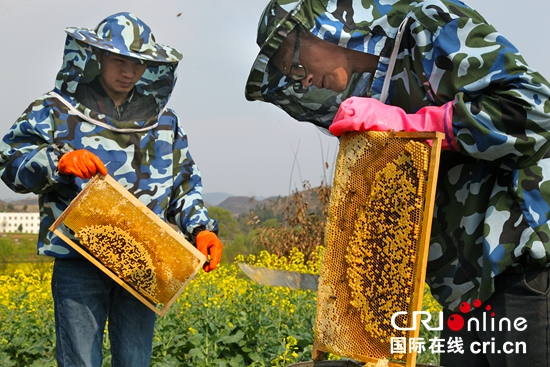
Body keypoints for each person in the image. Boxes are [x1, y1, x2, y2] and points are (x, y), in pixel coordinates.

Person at [245, 0, 550, 365]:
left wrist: (415, 124)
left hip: (521, 267)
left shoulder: (427, 25)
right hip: (460, 291)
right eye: (293, 76)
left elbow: (533, 111)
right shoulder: (374, 89)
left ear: (320, 26)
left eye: (295, 62)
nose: (304, 79)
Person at [0, 12, 222, 367]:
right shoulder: (54, 110)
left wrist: (201, 229)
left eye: (137, 62)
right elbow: (10, 161)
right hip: (80, 262)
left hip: (143, 261)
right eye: (119, 60)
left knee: (135, 361)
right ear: (98, 56)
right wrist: (58, 161)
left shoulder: (164, 120)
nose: (129, 71)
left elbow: (183, 182)